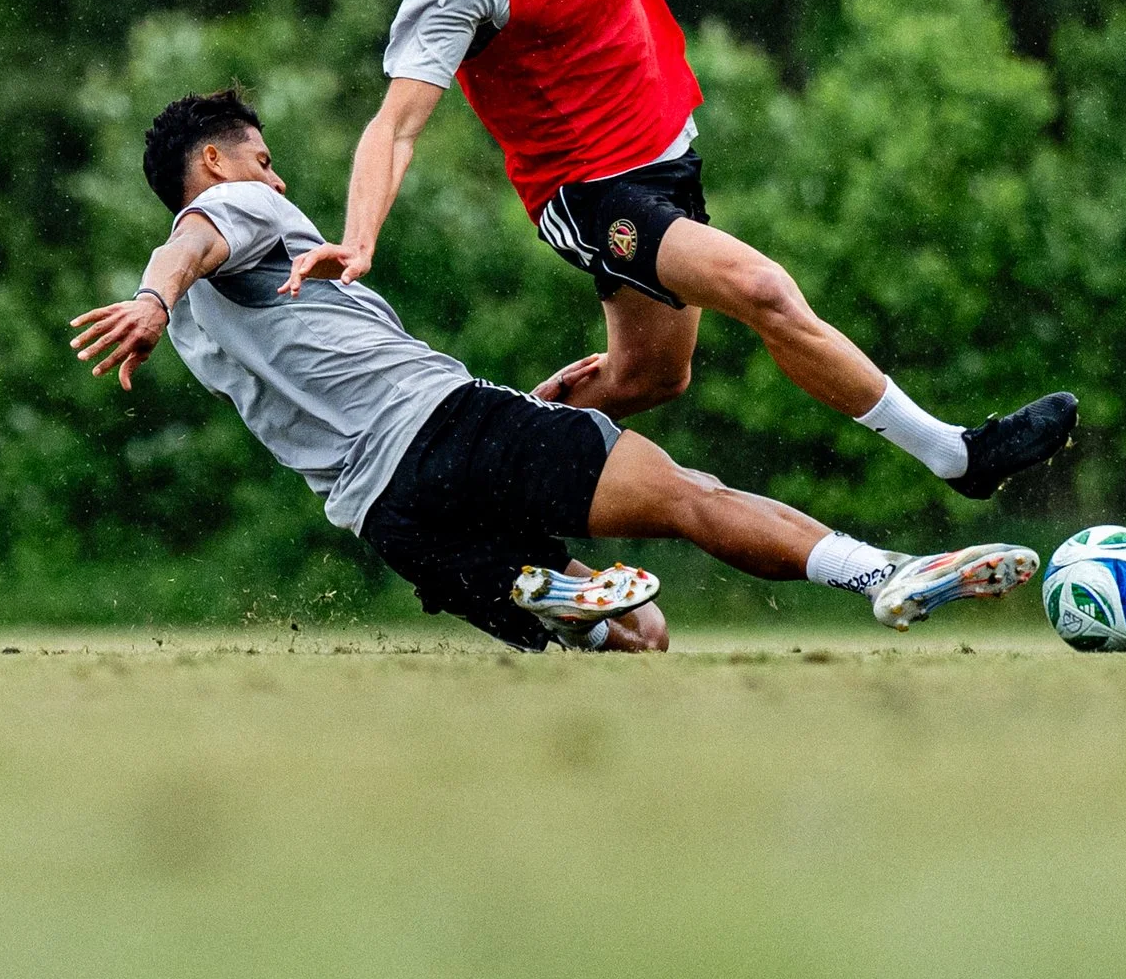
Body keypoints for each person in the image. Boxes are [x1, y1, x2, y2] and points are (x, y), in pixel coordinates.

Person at [280, 0, 1075, 502]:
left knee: (648, 378)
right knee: (763, 289)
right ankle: (957, 455)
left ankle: (462, 483)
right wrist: (358, 238)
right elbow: (397, 123)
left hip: (666, 157)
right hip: (585, 191)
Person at [72, 91, 1038, 652]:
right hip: (443, 426)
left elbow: (218, 292)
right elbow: (195, 238)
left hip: (387, 513)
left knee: (642, 632)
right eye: (266, 160)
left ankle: (547, 587)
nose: (279, 181)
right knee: (688, 497)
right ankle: (886, 573)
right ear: (218, 159)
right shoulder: (239, 213)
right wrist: (152, 297)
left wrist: (162, 308)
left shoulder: (201, 329)